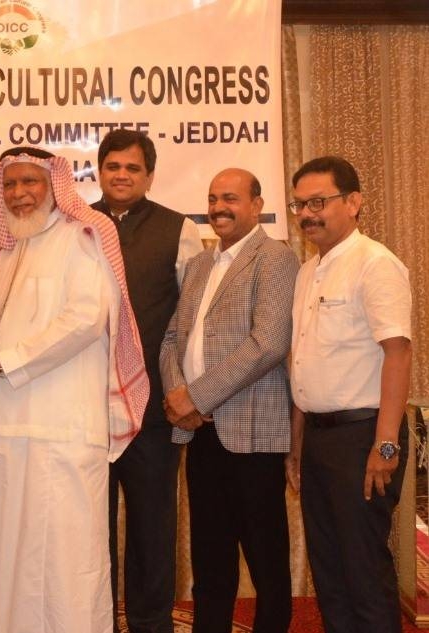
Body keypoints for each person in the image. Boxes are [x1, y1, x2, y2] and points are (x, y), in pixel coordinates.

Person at [0, 147, 149, 633]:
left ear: (54, 186)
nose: (18, 195)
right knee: (6, 555)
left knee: (66, 561)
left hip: (64, 428)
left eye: (29, 183)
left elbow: (84, 319)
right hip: (4, 428)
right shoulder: (10, 254)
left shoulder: (83, 236)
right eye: (10, 185)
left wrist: (4, 361)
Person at [159, 168, 297, 633]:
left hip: (253, 435)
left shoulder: (275, 258)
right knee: (210, 559)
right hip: (201, 434)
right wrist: (180, 397)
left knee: (266, 561)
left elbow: (268, 343)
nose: (220, 207)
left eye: (232, 198)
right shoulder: (200, 264)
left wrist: (195, 396)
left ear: (257, 205)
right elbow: (172, 337)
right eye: (214, 198)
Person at [286, 156, 411, 633]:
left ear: (354, 202)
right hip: (318, 441)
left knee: (362, 570)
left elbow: (397, 354)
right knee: (330, 572)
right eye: (300, 204)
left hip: (363, 437)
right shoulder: (308, 271)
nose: (308, 214)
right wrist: (298, 446)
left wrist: (386, 445)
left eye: (320, 201)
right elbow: (303, 362)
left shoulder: (375, 264)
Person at [90, 128, 203, 633]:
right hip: (85, 409)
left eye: (133, 168)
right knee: (90, 532)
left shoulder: (179, 230)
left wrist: (187, 392)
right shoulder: (74, 225)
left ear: (150, 175)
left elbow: (191, 318)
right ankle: (94, 622)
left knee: (153, 530)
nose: (122, 175)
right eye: (113, 166)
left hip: (152, 411)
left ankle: (150, 624)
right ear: (99, 170)